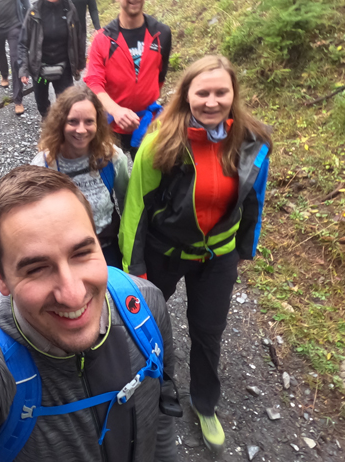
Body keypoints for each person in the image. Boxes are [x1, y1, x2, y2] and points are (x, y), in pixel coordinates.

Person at [0, 165, 177, 462]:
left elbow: (163, 410)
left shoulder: (144, 305)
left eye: (82, 253)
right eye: (37, 268)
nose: (73, 294)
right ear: (0, 276)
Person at [120, 55, 272, 454]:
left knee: (208, 331)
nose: (211, 101)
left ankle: (204, 403)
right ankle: (142, 387)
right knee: (144, 323)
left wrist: (245, 248)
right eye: (202, 92)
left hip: (218, 255)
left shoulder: (252, 141)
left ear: (234, 94)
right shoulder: (160, 141)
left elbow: (254, 199)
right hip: (165, 251)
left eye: (221, 92)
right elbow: (135, 210)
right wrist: (134, 270)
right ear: (186, 94)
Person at [31, 85, 129, 268]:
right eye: (73, 121)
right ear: (60, 123)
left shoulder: (112, 158)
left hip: (107, 248)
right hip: (64, 254)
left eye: (89, 121)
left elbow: (127, 203)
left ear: (98, 123)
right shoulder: (43, 165)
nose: (81, 130)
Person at [84, 0, 172, 158]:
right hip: (111, 125)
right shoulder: (102, 39)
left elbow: (160, 76)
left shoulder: (162, 34)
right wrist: (116, 110)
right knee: (112, 171)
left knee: (150, 172)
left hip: (148, 122)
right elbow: (94, 82)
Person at [19, 0, 81, 118]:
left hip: (64, 67)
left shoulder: (69, 9)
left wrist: (79, 63)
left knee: (67, 104)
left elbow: (79, 36)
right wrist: (23, 69)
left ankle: (64, 128)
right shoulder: (34, 12)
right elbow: (23, 43)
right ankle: (48, 125)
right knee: (42, 104)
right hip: (40, 69)